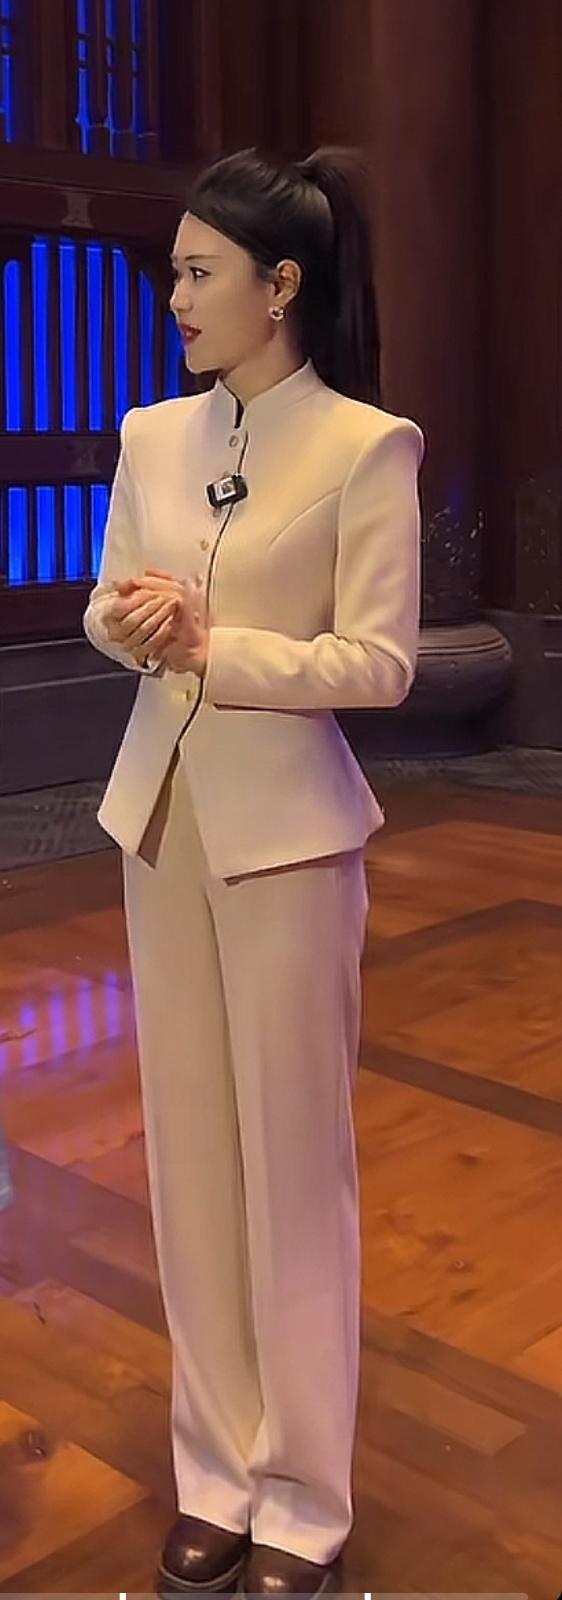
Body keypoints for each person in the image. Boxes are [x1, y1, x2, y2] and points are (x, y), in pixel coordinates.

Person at [83, 145, 424, 1599]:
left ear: (279, 286)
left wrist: (218, 648)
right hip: (157, 824)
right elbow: (105, 604)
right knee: (191, 1168)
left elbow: (381, 662)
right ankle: (214, 1473)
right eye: (173, 273)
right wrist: (132, 627)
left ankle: (304, 1497)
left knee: (293, 1173)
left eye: (195, 273)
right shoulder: (152, 434)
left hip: (291, 842)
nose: (173, 298)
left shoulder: (367, 446)